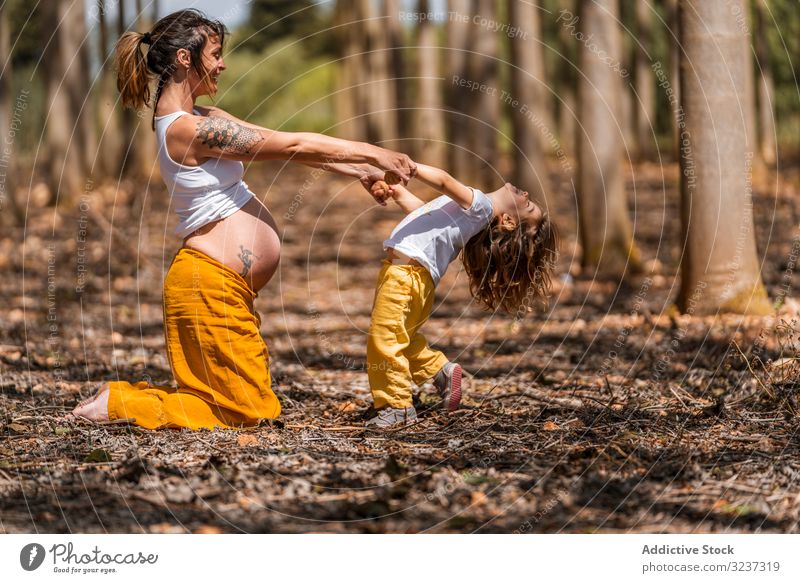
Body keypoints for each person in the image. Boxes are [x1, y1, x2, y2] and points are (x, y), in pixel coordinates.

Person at [72, 9, 415, 429]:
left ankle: (124, 398)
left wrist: (362, 172)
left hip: (223, 292)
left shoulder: (205, 119)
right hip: (205, 289)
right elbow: (289, 145)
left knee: (239, 408)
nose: (222, 64)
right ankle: (122, 403)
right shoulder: (185, 131)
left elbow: (287, 145)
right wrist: (371, 151)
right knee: (251, 414)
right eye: (215, 54)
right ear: (184, 58)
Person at [363, 164, 558, 427]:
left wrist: (412, 168)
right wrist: (397, 192)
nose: (527, 196)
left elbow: (443, 180)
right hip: (408, 277)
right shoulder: (473, 211)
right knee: (402, 337)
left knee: (384, 339)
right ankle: (439, 371)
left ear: (509, 222)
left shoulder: (480, 204)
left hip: (404, 276)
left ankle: (396, 406)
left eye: (529, 205)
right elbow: (424, 214)